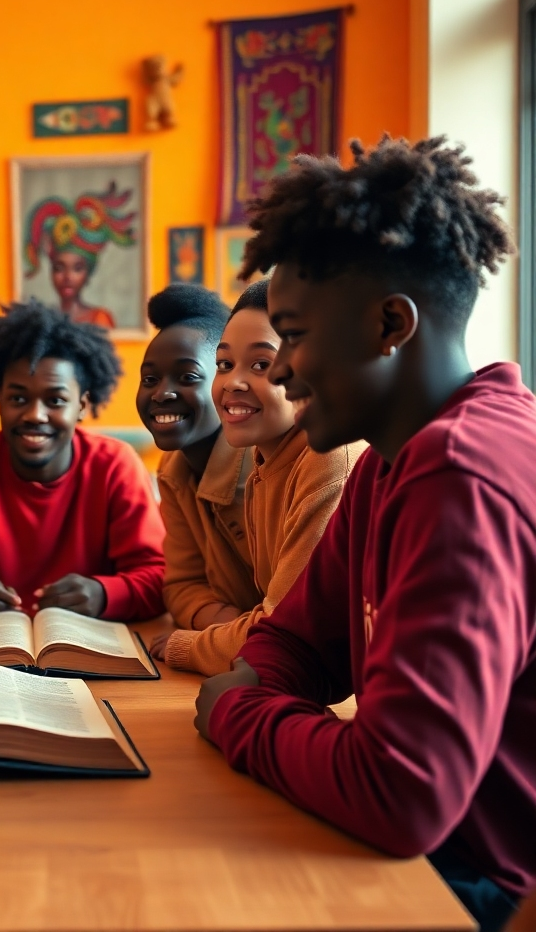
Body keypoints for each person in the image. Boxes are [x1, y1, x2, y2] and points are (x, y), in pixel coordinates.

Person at [194, 137, 534, 932]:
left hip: (475, 886)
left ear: (389, 325)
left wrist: (240, 716)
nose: (278, 373)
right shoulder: (395, 456)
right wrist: (264, 690)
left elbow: (403, 795)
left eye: (294, 337)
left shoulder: (462, 473)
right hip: (420, 855)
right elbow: (297, 644)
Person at [0, 299, 165, 623]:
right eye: (18, 398)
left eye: (55, 400)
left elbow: (158, 578)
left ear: (82, 405)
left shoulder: (115, 466)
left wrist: (102, 594)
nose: (34, 415)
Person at [152, 279, 363, 675]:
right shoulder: (265, 457)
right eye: (224, 364)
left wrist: (189, 645)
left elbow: (283, 634)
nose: (233, 381)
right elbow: (188, 589)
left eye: (262, 365)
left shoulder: (329, 460)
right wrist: (235, 627)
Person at [135, 283, 258, 643]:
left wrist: (204, 640)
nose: (162, 393)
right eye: (149, 379)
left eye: (188, 377)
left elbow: (291, 614)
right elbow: (181, 585)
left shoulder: (261, 466)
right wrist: (226, 624)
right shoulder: (172, 470)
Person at [23, 183, 137, 328]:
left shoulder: (100, 319)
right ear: (51, 272)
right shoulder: (40, 322)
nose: (68, 277)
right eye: (59, 268)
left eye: (77, 268)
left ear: (88, 273)